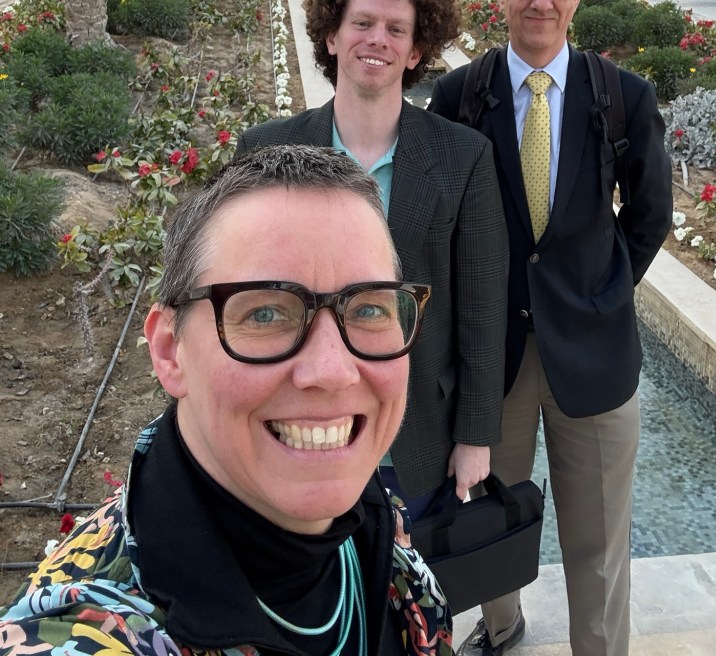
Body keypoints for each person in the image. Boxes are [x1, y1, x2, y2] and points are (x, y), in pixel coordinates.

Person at [0, 146, 452, 656]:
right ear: (170, 350)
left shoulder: (377, 523)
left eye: (368, 308)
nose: (332, 371)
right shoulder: (89, 633)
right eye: (265, 314)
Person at [429, 0, 673, 656]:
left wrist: (602, 294)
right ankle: (500, 628)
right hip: (489, 362)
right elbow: (441, 228)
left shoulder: (623, 97)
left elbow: (650, 215)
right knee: (487, 521)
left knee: (598, 538)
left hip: (594, 360)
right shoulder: (459, 97)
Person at [236, 0, 508, 519]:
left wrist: (476, 436)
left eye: (395, 29)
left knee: (408, 578)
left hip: (417, 437)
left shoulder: (463, 158)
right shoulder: (265, 150)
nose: (377, 40)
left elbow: (482, 308)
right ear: (332, 37)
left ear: (415, 51)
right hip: (298, 424)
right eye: (362, 23)